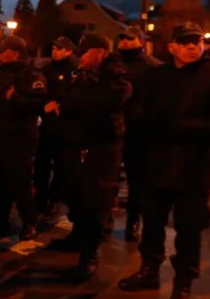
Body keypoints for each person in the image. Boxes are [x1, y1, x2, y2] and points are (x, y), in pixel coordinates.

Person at [118, 23, 210, 299]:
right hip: (156, 163)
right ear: (171, 46)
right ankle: (149, 271)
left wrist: (184, 128)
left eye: (197, 41)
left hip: (193, 167)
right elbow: (139, 112)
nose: (192, 46)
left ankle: (183, 284)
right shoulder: (158, 76)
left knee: (189, 229)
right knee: (152, 224)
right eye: (185, 42)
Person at [48, 33, 131, 279]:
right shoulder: (83, 75)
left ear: (99, 53)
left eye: (83, 52)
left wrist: (71, 105)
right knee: (77, 196)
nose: (79, 57)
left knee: (96, 201)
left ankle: (90, 255)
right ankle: (77, 238)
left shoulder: (114, 75)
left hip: (101, 148)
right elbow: (72, 101)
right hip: (78, 145)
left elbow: (104, 101)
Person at [0, 35, 46, 240]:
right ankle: (1, 218)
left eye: (3, 50)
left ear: (15, 53)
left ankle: (29, 221)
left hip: (20, 139)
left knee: (19, 182)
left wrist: (15, 98)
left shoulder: (30, 75)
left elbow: (39, 104)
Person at [116, 27, 162, 241]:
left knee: (137, 180)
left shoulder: (152, 67)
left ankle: (133, 220)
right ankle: (105, 215)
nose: (125, 42)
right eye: (122, 39)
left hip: (138, 131)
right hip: (112, 128)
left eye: (130, 39)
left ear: (141, 41)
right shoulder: (112, 63)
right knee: (109, 176)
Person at [34, 37, 77, 220]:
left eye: (60, 49)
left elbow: (77, 94)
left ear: (69, 51)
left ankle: (54, 198)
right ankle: (40, 199)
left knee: (62, 167)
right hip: (47, 126)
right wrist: (44, 103)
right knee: (41, 165)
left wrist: (62, 104)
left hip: (66, 127)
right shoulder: (45, 70)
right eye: (54, 48)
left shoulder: (75, 71)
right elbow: (37, 92)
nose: (55, 51)